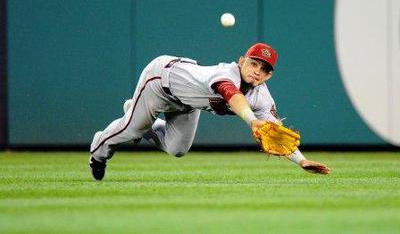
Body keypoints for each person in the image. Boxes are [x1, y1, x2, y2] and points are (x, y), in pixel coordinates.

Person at [89, 43, 331, 180]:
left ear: (269, 76)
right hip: (160, 82)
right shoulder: (226, 74)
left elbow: (276, 133)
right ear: (241, 61)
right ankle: (98, 150)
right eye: (253, 63)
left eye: (264, 69)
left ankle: (142, 118)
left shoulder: (262, 97)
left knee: (177, 149)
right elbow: (232, 94)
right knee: (132, 129)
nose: (257, 71)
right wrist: (250, 120)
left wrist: (301, 160)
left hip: (188, 103)